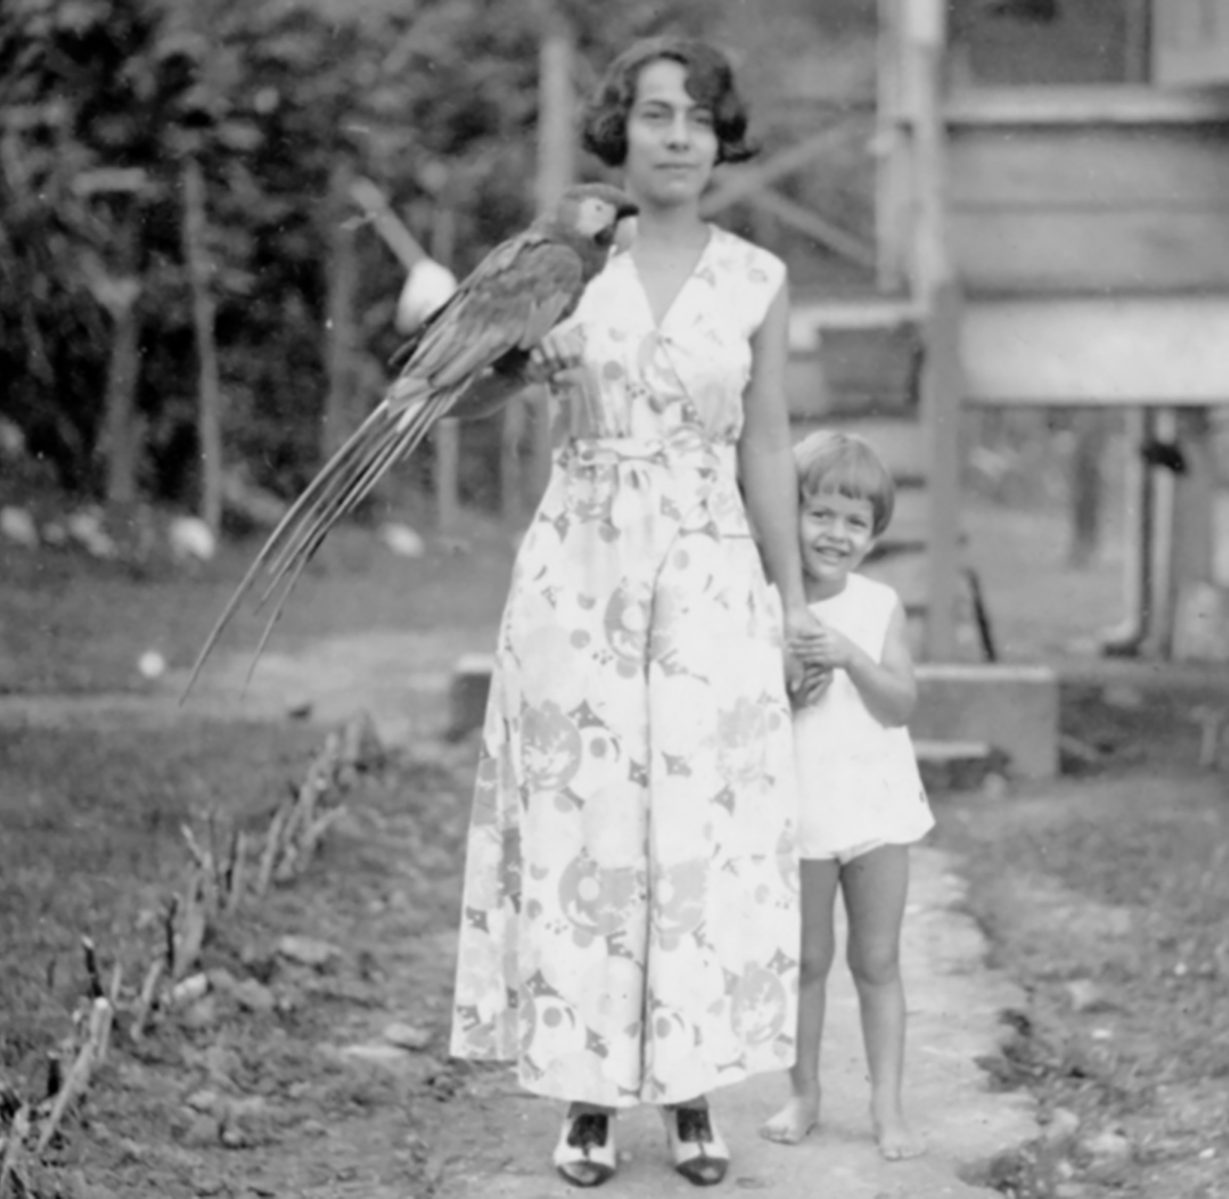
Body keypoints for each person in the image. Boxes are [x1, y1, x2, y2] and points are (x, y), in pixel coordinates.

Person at [448, 36, 816, 1190]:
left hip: (708, 570)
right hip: (583, 565)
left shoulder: (755, 277)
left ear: (721, 141)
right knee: (586, 818)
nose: (676, 136)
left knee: (700, 825)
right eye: (655, 114)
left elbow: (764, 448)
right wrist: (525, 365)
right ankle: (588, 1096)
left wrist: (791, 598)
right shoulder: (560, 263)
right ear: (621, 129)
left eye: (699, 118)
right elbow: (454, 400)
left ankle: (696, 1093)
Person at [759, 430, 932, 1161]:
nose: (836, 533)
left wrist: (851, 656)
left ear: (874, 535)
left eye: (855, 522)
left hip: (875, 807)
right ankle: (804, 1092)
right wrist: (794, 687)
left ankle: (886, 1104)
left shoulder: (879, 602)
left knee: (878, 959)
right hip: (801, 809)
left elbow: (899, 705)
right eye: (820, 513)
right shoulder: (767, 600)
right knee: (806, 958)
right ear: (789, 515)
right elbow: (757, 709)